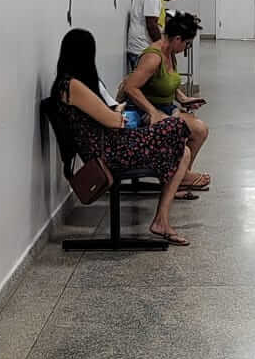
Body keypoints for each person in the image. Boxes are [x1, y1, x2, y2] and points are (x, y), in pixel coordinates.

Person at [50, 28, 196, 246]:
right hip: (108, 153)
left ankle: (162, 219)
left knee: (183, 151)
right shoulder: (72, 86)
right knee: (175, 127)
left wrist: (117, 112)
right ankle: (180, 182)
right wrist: (118, 112)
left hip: (111, 145)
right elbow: (112, 121)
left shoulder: (67, 84)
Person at [121, 10, 211, 192]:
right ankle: (178, 178)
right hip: (144, 111)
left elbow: (165, 81)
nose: (186, 48)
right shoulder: (153, 57)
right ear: (177, 39)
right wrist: (153, 112)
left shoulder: (170, 53)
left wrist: (183, 99)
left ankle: (180, 177)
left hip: (165, 107)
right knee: (190, 129)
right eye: (187, 43)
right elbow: (130, 87)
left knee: (200, 130)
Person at [127, 0, 185, 71]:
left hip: (146, 48)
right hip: (141, 49)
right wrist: (163, 49)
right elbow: (152, 26)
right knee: (145, 80)